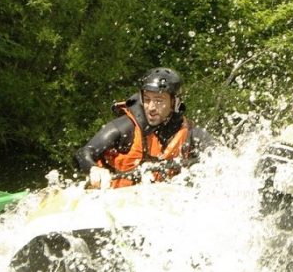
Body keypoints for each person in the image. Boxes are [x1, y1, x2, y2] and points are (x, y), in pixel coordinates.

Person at [73, 67, 214, 187]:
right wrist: (93, 169)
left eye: (159, 101)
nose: (151, 107)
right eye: (147, 100)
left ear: (174, 102)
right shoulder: (124, 128)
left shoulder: (191, 134)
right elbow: (84, 152)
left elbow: (222, 158)